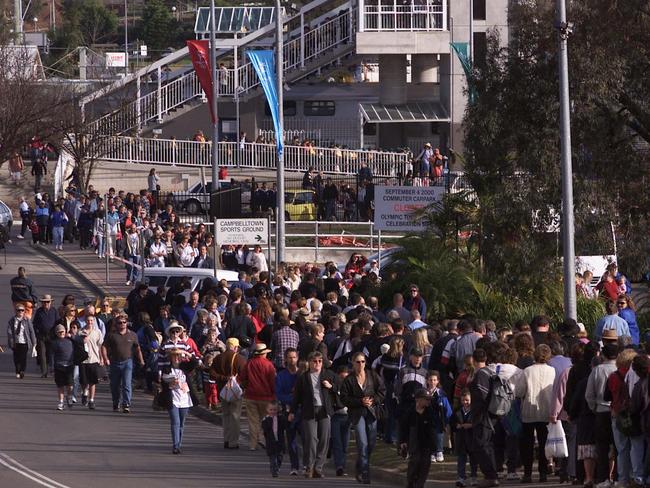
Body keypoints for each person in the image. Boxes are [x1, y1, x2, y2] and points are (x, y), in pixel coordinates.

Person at [340, 351, 385, 484]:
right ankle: (365, 473)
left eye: (363, 361)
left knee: (371, 443)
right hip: (357, 414)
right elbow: (344, 398)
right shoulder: (349, 379)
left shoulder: (372, 375)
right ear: (353, 363)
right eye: (358, 362)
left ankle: (360, 465)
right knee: (362, 443)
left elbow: (382, 391)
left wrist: (373, 400)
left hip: (371, 413)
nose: (360, 364)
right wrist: (360, 402)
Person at [291, 351, 336, 478]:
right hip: (309, 410)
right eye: (314, 361)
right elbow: (297, 396)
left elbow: (339, 388)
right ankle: (309, 467)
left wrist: (331, 386)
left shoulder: (328, 375)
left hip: (324, 410)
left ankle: (318, 468)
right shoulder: (304, 377)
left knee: (324, 439)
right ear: (309, 363)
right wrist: (292, 412)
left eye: (320, 361)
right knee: (311, 439)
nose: (317, 364)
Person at [518, 344, 555, 483]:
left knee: (527, 443)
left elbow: (520, 391)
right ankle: (543, 473)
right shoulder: (552, 371)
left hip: (529, 410)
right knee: (544, 443)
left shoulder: (527, 371)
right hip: (546, 410)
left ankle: (527, 473)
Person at [585, 342, 618, 484]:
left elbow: (589, 394)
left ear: (603, 355)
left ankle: (603, 478)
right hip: (616, 411)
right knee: (618, 446)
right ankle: (617, 477)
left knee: (602, 447)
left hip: (601, 411)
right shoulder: (620, 368)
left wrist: (594, 407)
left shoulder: (597, 370)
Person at [101, 313, 145, 413]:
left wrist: (141, 360)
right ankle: (116, 403)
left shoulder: (132, 335)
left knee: (127, 384)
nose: (122, 324)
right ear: (116, 324)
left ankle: (126, 404)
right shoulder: (111, 335)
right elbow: (104, 347)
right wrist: (105, 358)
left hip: (127, 362)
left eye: (124, 322)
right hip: (115, 362)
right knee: (115, 385)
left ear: (126, 323)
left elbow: (137, 349)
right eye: (120, 323)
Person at [159, 348, 199, 454]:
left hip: (184, 399)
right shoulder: (167, 369)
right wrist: (170, 382)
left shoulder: (184, 367)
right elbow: (163, 381)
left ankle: (179, 444)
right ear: (171, 358)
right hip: (173, 399)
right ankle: (175, 445)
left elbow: (196, 362)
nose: (176, 358)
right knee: (175, 422)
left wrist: (186, 353)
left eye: (178, 356)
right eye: (174, 356)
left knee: (181, 423)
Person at [211, 337, 247, 449]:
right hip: (235, 391)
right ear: (235, 347)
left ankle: (226, 439)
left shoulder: (218, 358)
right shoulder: (240, 359)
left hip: (223, 390)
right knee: (235, 416)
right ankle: (233, 441)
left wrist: (223, 378)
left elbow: (212, 373)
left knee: (226, 415)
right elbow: (245, 376)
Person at [240, 343, 276, 450]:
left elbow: (243, 378)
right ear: (264, 354)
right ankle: (265, 441)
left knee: (253, 421)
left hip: (251, 395)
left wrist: (246, 386)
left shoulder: (249, 363)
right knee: (266, 420)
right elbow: (272, 381)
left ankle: (253, 444)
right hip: (266, 397)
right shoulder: (269, 365)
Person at [399, 388, 437, 488]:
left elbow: (433, 429)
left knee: (425, 464)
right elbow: (403, 428)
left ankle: (420, 484)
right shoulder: (410, 412)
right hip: (414, 443)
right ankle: (410, 482)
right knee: (415, 462)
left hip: (426, 444)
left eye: (429, 399)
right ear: (418, 400)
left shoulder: (430, 412)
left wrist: (434, 446)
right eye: (426, 399)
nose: (428, 401)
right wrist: (403, 441)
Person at [425, 370, 452, 462]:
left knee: (438, 435)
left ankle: (439, 451)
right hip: (427, 418)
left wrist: (446, 420)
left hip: (438, 418)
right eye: (430, 380)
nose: (432, 382)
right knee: (428, 435)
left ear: (438, 381)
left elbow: (447, 409)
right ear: (427, 381)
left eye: (434, 380)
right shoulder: (425, 392)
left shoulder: (441, 394)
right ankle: (431, 452)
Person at [453, 389, 478, 487]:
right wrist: (456, 425)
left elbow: (478, 422)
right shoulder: (457, 411)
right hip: (461, 439)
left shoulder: (475, 411)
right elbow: (452, 422)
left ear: (471, 400)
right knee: (461, 459)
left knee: (473, 459)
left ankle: (474, 477)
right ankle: (461, 478)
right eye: (463, 400)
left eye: (467, 400)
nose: (465, 402)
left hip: (472, 438)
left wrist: (471, 425)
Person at [78, 315, 104, 409]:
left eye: (91, 320)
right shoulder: (81, 331)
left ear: (94, 321)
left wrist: (101, 358)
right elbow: (77, 345)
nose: (90, 322)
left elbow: (100, 346)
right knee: (84, 381)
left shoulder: (98, 332)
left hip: (94, 359)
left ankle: (91, 400)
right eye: (88, 320)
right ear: (85, 321)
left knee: (93, 381)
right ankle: (85, 392)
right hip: (83, 360)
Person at [7, 304, 37, 379]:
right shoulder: (12, 320)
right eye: (19, 310)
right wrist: (11, 339)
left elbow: (31, 331)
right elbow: (9, 330)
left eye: (22, 310)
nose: (20, 312)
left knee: (23, 357)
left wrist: (34, 343)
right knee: (16, 358)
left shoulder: (27, 320)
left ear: (24, 311)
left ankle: (22, 371)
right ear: (15, 311)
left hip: (24, 342)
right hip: (15, 342)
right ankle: (17, 370)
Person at [32, 294, 59, 378]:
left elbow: (58, 322)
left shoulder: (54, 311)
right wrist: (36, 334)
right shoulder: (39, 311)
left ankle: (52, 368)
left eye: (48, 302)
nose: (46, 303)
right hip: (41, 336)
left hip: (51, 336)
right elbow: (34, 324)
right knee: (42, 354)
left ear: (50, 302)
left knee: (50, 354)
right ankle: (44, 372)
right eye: (44, 302)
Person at [51, 324, 74, 410]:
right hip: (59, 366)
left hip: (69, 366)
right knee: (60, 386)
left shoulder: (70, 341)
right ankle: (61, 402)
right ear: (56, 333)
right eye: (59, 332)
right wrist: (52, 368)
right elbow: (52, 355)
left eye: (63, 331)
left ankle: (69, 397)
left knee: (70, 385)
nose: (61, 333)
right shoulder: (55, 343)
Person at [262, 400, 288, 477]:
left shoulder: (280, 418)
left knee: (280, 457)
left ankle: (277, 467)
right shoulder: (266, 419)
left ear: (278, 410)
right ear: (267, 410)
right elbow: (265, 429)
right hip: (270, 442)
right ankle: (274, 470)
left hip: (279, 441)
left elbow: (285, 425)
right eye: (271, 410)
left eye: (274, 410)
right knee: (273, 457)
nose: (273, 411)